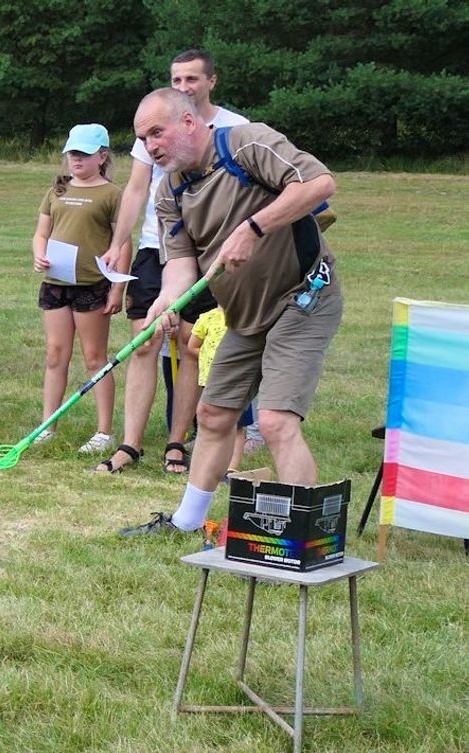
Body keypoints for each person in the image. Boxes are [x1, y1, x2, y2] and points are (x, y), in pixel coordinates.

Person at [119, 87, 340, 536]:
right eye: (144, 140)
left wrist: (254, 227)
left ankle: (308, 538)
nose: (151, 146)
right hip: (243, 314)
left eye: (157, 133)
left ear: (188, 121)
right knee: (214, 416)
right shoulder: (170, 191)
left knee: (276, 421)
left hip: (304, 297)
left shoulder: (246, 143)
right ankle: (186, 522)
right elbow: (181, 264)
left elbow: (320, 184)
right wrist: (166, 300)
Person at [97, 49, 249, 475]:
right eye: (177, 79)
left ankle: (177, 442)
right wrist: (118, 240)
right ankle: (130, 443)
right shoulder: (153, 126)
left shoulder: (236, 128)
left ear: (211, 82)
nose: (183, 87)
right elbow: (135, 189)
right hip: (156, 245)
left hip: (208, 250)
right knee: (143, 340)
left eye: (192, 79)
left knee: (190, 343)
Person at [30, 124, 126, 451]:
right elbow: (41, 233)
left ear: (102, 156)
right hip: (56, 284)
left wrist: (117, 289)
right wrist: (38, 254)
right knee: (56, 354)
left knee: (94, 357)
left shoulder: (112, 194)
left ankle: (104, 431)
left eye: (84, 153)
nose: (76, 159)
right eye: (72, 153)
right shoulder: (56, 190)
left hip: (91, 285)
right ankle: (48, 425)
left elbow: (122, 242)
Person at [187, 306, 249, 475]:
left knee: (237, 425)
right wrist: (212, 357)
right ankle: (205, 465)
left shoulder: (244, 317)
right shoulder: (206, 318)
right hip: (211, 381)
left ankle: (232, 468)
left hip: (238, 380)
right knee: (209, 421)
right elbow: (192, 346)